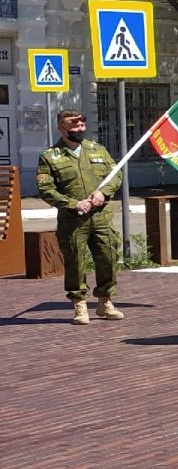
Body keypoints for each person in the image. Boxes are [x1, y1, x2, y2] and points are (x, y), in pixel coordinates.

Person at [35, 108, 123, 326]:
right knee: (75, 262)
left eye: (82, 124)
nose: (79, 128)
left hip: (101, 217)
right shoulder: (50, 157)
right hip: (72, 221)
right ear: (61, 128)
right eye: (74, 125)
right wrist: (74, 204)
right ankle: (79, 304)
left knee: (108, 258)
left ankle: (105, 301)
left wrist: (104, 192)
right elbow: (46, 190)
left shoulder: (98, 150)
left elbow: (116, 175)